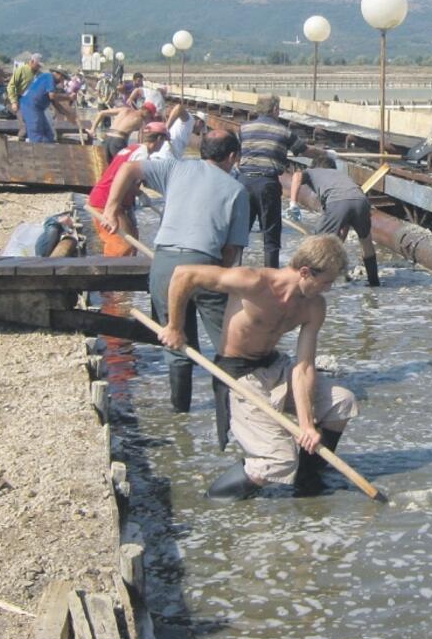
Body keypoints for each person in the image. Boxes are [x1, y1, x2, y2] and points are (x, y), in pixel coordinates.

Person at [156, 234, 358, 499]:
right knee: (280, 460)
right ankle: (212, 500)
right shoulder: (254, 281)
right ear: (306, 272)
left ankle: (307, 482)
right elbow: (184, 274)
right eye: (326, 282)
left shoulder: (314, 306)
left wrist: (308, 426)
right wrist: (175, 326)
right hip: (237, 374)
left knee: (342, 402)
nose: (328, 289)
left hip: (274, 365)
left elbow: (304, 367)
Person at [102, 129, 250, 413]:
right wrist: (215, 279)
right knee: (230, 344)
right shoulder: (237, 190)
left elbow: (129, 168)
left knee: (177, 341)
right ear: (232, 157)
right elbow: (231, 252)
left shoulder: (175, 167)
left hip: (164, 264)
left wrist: (110, 209)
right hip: (205, 264)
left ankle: (180, 414)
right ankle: (235, 410)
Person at [238, 94, 308, 268]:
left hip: (243, 182)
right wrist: (325, 155)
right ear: (275, 109)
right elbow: (303, 150)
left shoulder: (243, 128)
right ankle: (271, 279)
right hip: (266, 184)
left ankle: (232, 276)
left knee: (238, 234)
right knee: (270, 237)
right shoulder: (284, 131)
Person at [288, 156, 380, 286]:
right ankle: (374, 283)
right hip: (361, 200)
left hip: (337, 201)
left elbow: (297, 176)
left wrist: (293, 204)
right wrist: (338, 246)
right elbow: (346, 223)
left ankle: (306, 282)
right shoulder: (340, 175)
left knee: (317, 243)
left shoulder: (312, 171)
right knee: (366, 240)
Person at [87, 122, 172, 256]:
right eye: (164, 141)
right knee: (121, 246)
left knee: (132, 240)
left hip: (107, 200)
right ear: (159, 139)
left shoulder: (132, 148)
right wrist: (140, 193)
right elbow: (124, 182)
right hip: (105, 202)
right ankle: (112, 274)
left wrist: (139, 193)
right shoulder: (142, 155)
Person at [20, 69, 76, 144]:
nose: (62, 81)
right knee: (36, 134)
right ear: (58, 74)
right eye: (63, 78)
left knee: (48, 134)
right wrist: (69, 97)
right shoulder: (49, 78)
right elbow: (52, 96)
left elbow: (55, 103)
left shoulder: (50, 83)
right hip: (30, 107)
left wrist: (68, 114)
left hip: (38, 109)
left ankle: (50, 150)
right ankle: (38, 152)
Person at [90, 102, 156, 162]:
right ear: (147, 111)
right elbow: (141, 139)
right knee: (122, 167)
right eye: (150, 116)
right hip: (118, 142)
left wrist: (93, 129)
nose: (149, 118)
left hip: (107, 139)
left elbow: (101, 113)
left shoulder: (124, 109)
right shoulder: (141, 121)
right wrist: (144, 152)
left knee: (105, 167)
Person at [8, 53, 43, 140]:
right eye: (37, 65)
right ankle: (20, 143)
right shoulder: (22, 70)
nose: (38, 67)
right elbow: (11, 86)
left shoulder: (39, 74)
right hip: (20, 100)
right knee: (24, 125)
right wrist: (14, 102)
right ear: (31, 62)